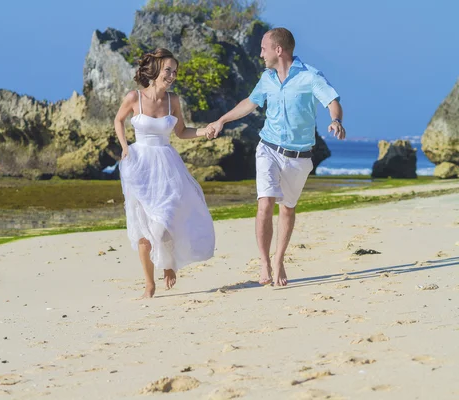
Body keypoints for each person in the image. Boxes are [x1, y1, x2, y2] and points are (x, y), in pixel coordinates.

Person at [208, 28, 346, 287]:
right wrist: (222, 120)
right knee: (265, 203)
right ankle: (264, 261)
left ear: (278, 50)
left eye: (263, 48)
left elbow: (332, 100)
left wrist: (335, 120)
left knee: (288, 209)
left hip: (299, 156)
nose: (260, 54)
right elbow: (249, 103)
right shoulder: (267, 78)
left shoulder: (310, 76)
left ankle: (279, 259)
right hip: (268, 148)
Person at [114, 48, 216, 298]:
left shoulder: (174, 101)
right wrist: (125, 146)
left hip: (167, 164)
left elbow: (181, 132)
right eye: (168, 70)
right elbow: (118, 120)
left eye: (175, 72)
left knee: (164, 223)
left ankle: (169, 264)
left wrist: (204, 131)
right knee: (142, 231)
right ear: (156, 69)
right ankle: (149, 284)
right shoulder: (134, 97)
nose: (172, 75)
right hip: (138, 166)